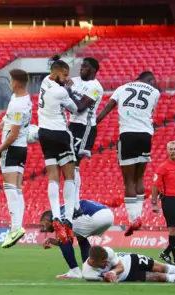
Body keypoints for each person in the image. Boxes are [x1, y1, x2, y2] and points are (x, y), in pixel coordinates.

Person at [96, 71, 161, 237]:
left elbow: (108, 108)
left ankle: (133, 218)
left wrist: (93, 124)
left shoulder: (122, 88)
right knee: (139, 178)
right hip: (146, 135)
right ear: (150, 80)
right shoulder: (155, 92)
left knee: (128, 181)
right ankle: (138, 216)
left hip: (127, 134)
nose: (155, 84)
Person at [0, 69, 32, 248]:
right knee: (17, 189)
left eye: (10, 81)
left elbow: (13, 134)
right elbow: (8, 119)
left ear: (14, 82)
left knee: (9, 188)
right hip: (22, 149)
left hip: (12, 148)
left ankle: (15, 228)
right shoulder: (22, 99)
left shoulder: (18, 105)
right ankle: (17, 226)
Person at [37, 55, 78, 243]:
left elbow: (58, 78)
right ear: (57, 73)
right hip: (60, 133)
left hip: (44, 133)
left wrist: (64, 82)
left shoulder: (45, 81)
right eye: (65, 74)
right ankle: (68, 218)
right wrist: (70, 87)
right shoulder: (61, 92)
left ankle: (55, 215)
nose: (67, 77)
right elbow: (75, 108)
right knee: (70, 177)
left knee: (53, 176)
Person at [40, 200, 114, 279]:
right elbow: (67, 242)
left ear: (47, 219)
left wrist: (52, 240)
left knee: (63, 234)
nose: (44, 228)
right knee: (81, 238)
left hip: (95, 217)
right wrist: (51, 240)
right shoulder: (64, 208)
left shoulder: (57, 215)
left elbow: (66, 240)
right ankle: (89, 269)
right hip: (108, 215)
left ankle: (74, 271)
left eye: (43, 224)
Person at [67, 58, 103, 214]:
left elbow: (80, 107)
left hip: (85, 127)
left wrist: (67, 92)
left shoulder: (96, 87)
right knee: (69, 163)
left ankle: (75, 205)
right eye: (81, 66)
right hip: (72, 125)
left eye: (85, 67)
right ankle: (73, 204)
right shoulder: (74, 81)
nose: (81, 68)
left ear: (94, 70)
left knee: (74, 163)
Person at [82, 246, 175, 284]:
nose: (106, 263)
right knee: (160, 277)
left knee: (161, 267)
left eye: (107, 261)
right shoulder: (89, 274)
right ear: (93, 262)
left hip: (131, 260)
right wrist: (109, 276)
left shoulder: (107, 251)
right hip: (130, 275)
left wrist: (112, 272)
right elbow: (107, 279)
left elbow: (120, 267)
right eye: (103, 263)